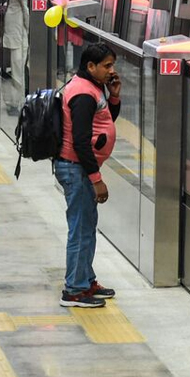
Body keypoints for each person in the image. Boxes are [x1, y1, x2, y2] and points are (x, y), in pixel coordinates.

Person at [56, 42, 121, 308]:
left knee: (86, 228)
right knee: (80, 230)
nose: (111, 71)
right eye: (106, 66)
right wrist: (97, 180)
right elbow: (81, 141)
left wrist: (114, 96)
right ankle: (74, 290)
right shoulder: (83, 94)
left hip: (80, 169)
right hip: (77, 168)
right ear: (90, 66)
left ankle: (85, 280)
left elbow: (105, 119)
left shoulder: (92, 87)